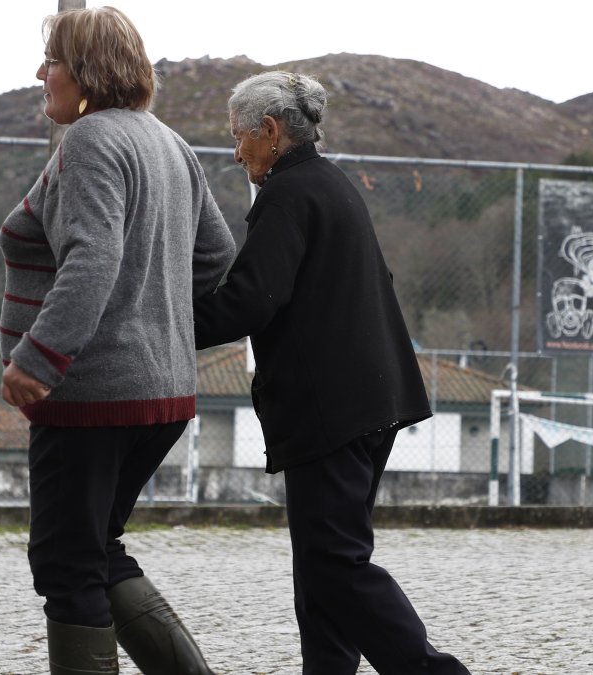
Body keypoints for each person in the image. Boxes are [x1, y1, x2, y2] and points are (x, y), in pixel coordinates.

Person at [193, 71, 470, 675]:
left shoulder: (288, 195)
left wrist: (163, 326)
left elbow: (251, 301)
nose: (236, 152)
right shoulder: (332, 184)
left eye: (239, 136)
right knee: (322, 569)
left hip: (331, 413)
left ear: (270, 131)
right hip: (371, 403)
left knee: (334, 566)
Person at [0, 6, 235, 674]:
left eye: (52, 61)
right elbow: (217, 257)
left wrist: (38, 358)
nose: (40, 73)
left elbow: (93, 257)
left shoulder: (91, 141)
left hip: (91, 395)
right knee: (95, 549)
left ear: (87, 71)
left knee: (66, 562)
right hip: (161, 392)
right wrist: (157, 322)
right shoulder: (168, 143)